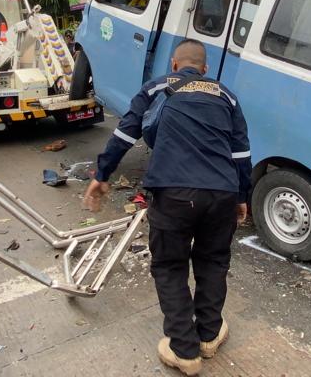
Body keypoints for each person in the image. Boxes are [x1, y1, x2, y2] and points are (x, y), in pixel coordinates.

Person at [84, 40, 251, 377]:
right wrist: (241, 196)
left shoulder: (156, 87)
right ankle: (209, 336)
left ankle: (184, 351)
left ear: (174, 64)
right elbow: (241, 154)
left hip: (173, 192)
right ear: (205, 69)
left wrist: (102, 174)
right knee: (213, 261)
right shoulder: (227, 96)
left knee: (170, 266)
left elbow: (124, 135)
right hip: (221, 193)